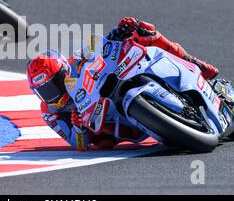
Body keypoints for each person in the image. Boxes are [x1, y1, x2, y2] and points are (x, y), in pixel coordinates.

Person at [26, 16, 219, 151]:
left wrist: (118, 32)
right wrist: (78, 127)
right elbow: (79, 144)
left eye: (56, 83)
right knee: (102, 144)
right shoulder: (49, 113)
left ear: (64, 69)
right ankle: (155, 123)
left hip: (106, 87)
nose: (55, 93)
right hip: (103, 121)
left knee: (143, 32)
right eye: (45, 91)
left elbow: (100, 46)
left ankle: (196, 63)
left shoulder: (76, 60)